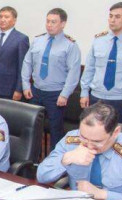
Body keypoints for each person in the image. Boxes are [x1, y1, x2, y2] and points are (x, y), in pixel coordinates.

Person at [37, 103, 122, 200]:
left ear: (115, 132)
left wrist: (102, 194)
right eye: (83, 137)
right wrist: (66, 159)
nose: (89, 146)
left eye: (97, 141)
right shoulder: (71, 140)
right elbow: (42, 176)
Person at [21, 8, 82, 150]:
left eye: (53, 22)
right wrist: (26, 85)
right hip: (35, 91)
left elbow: (73, 72)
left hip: (56, 94)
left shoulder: (70, 45)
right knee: (32, 127)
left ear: (63, 24)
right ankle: (32, 158)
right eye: (47, 21)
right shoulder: (38, 40)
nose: (49, 25)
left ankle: (55, 159)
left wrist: (65, 94)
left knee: (55, 130)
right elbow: (27, 63)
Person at [79, 2, 122, 123]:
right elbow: (90, 69)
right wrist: (84, 92)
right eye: (110, 16)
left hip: (121, 100)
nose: (112, 20)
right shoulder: (99, 40)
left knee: (116, 133)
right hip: (96, 97)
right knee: (93, 132)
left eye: (117, 17)